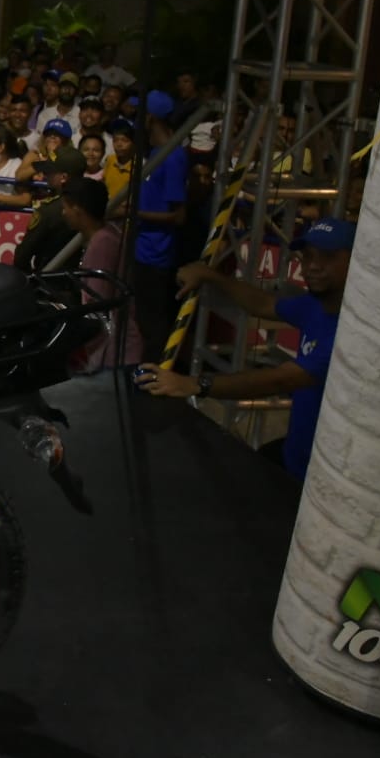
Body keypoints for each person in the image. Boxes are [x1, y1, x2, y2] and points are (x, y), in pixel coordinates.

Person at [137, 218, 354, 480]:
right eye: (307, 257)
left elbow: (281, 379)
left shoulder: (350, 331)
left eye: (328, 257)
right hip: (295, 454)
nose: (313, 266)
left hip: (322, 476)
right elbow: (263, 304)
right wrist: (210, 275)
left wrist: (194, 385)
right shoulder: (316, 305)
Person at [60, 178, 142, 372]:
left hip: (114, 351)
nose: (63, 213)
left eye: (65, 207)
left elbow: (98, 304)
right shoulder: (110, 233)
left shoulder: (101, 243)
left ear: (78, 209)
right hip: (117, 345)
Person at [131, 91, 188, 358]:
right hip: (140, 247)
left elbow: (179, 216)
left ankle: (154, 372)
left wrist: (134, 213)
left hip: (156, 254)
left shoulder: (174, 157)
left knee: (152, 321)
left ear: (151, 117)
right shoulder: (153, 151)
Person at [12, 146, 86, 273]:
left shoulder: (49, 211)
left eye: (50, 171)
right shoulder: (89, 202)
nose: (45, 174)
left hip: (49, 281)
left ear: (63, 177)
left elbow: (22, 256)